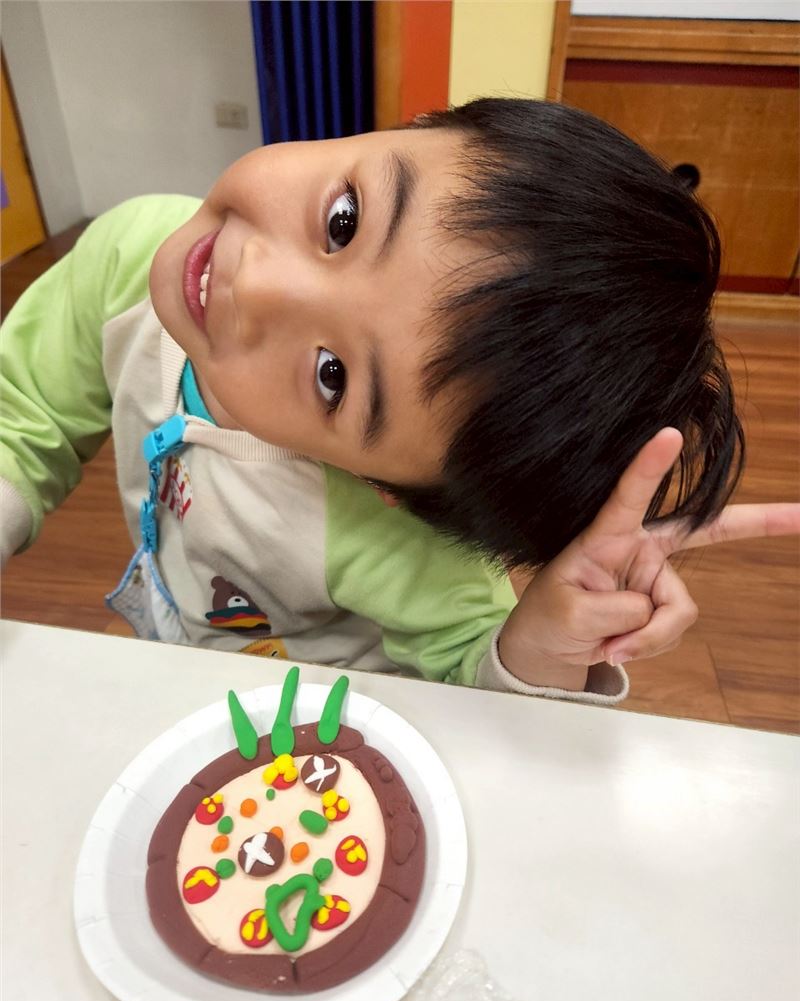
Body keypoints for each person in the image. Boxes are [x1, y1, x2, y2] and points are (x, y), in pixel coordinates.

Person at [1, 98, 797, 706]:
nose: (256, 284)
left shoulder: (381, 533)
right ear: (415, 124)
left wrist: (545, 639)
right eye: (343, 221)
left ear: (384, 486)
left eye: (332, 376)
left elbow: (475, 678)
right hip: (166, 672)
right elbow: (25, 411)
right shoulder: (126, 255)